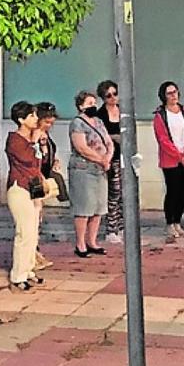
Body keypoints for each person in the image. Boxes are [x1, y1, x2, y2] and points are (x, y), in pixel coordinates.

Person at [153, 80, 184, 242]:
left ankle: (178, 222)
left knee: (183, 192)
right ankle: (169, 222)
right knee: (172, 191)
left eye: (175, 92)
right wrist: (179, 156)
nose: (173, 95)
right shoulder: (160, 116)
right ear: (163, 96)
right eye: (169, 93)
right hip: (171, 160)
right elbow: (163, 139)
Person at [4, 101, 45, 291]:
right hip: (19, 187)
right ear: (21, 119)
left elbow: (38, 162)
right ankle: (18, 275)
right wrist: (34, 141)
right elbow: (27, 160)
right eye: (32, 116)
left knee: (33, 231)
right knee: (24, 232)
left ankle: (29, 270)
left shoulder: (30, 139)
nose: (35, 119)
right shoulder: (15, 140)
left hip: (33, 187)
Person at [69, 90, 113, 257]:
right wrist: (100, 159)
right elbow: (81, 148)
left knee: (98, 207)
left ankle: (92, 241)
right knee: (84, 207)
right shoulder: (77, 123)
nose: (93, 106)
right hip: (83, 170)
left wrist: (107, 157)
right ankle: (80, 244)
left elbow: (108, 141)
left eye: (94, 103)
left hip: (100, 170)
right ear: (81, 106)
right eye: (89, 103)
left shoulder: (99, 122)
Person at [95, 80, 124, 245]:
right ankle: (111, 229)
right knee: (114, 193)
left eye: (115, 94)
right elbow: (100, 136)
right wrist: (114, 138)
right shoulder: (100, 116)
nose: (113, 98)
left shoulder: (123, 112)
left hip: (124, 157)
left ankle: (122, 226)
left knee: (125, 194)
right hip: (111, 157)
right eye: (109, 96)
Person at [34, 102, 62, 271]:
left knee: (39, 216)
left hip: (44, 175)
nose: (49, 126)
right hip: (35, 180)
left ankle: (36, 252)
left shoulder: (45, 135)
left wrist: (54, 160)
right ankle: (33, 253)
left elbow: (48, 154)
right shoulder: (35, 135)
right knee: (34, 217)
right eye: (47, 122)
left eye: (52, 123)